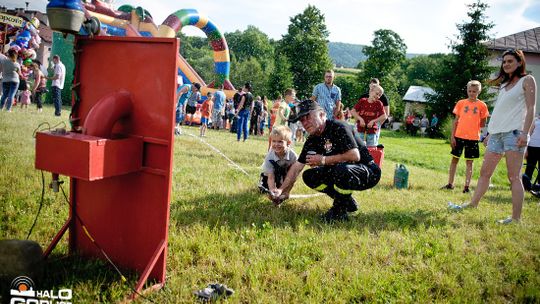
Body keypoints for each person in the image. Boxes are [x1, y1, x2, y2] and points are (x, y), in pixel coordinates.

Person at [449, 49, 537, 224]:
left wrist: (525, 134)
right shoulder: (504, 86)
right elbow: (498, 112)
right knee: (484, 173)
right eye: (504, 62)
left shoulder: (527, 80)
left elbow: (531, 108)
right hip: (496, 135)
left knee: (514, 177)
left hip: (514, 134)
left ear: (520, 62)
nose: (506, 65)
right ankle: (473, 204)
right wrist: (489, 133)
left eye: (510, 61)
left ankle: (515, 218)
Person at [270, 100, 381, 222]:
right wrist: (283, 190)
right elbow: (297, 167)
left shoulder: (339, 127)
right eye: (302, 120)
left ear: (322, 115)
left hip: (368, 172)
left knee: (341, 170)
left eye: (308, 117)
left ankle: (339, 212)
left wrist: (323, 160)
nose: (305, 123)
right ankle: (346, 201)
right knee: (310, 176)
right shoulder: (312, 139)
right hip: (343, 171)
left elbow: (354, 156)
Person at [442, 80, 489, 193]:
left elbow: (483, 123)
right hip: (458, 136)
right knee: (454, 160)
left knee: (469, 162)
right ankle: (450, 184)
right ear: (467, 90)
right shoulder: (461, 103)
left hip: (473, 138)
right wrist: (452, 136)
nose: (472, 93)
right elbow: (456, 121)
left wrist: (474, 125)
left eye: (474, 91)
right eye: (470, 91)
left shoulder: (482, 105)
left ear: (479, 91)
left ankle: (466, 187)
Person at [258, 125, 298, 195]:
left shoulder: (293, 156)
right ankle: (263, 181)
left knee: (283, 184)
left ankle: (281, 187)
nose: (276, 144)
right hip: (271, 172)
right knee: (264, 190)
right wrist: (272, 191)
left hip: (285, 171)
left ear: (288, 143)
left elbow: (293, 176)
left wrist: (284, 191)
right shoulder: (270, 156)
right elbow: (270, 177)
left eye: (280, 142)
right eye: (274, 141)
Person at [523, 114, 540, 191]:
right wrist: (526, 149)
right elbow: (529, 133)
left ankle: (538, 188)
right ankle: (526, 186)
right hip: (532, 147)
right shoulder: (535, 120)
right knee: (530, 167)